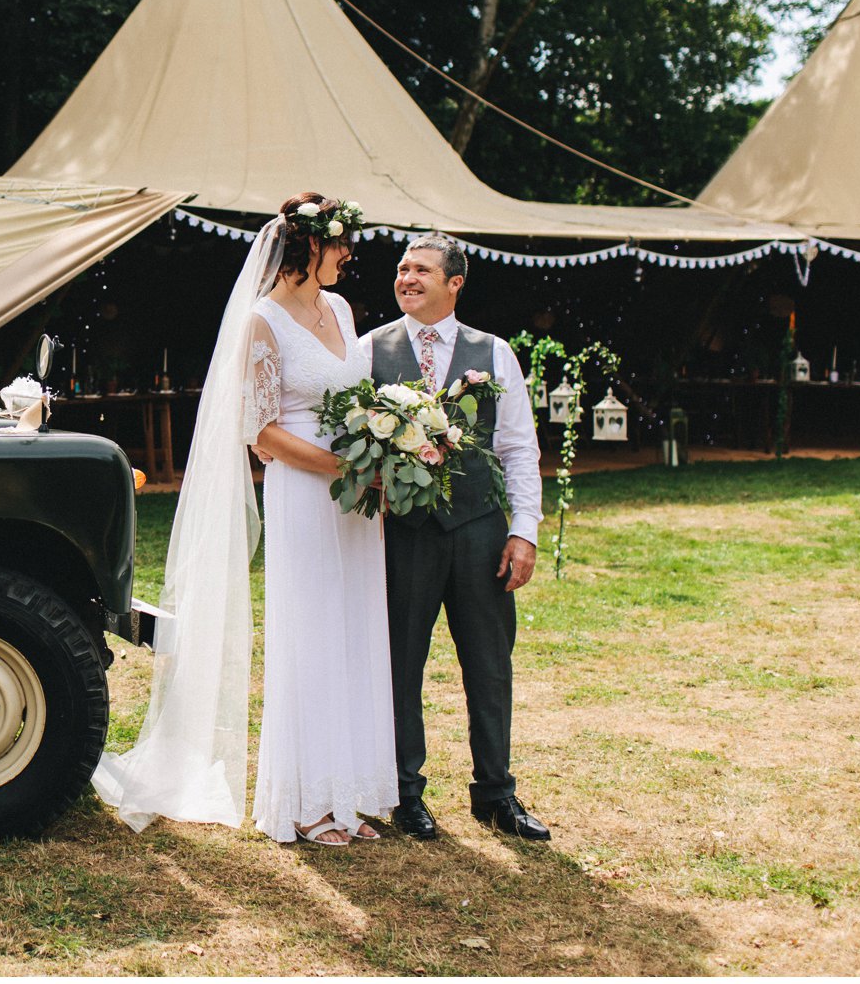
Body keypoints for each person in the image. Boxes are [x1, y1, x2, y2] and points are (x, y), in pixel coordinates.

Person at [93, 194, 396, 847]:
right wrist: (344, 469)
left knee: (354, 633)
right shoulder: (263, 321)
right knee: (311, 637)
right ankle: (304, 805)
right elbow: (260, 434)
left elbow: (360, 399)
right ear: (310, 247)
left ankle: (349, 798)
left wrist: (382, 448)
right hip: (307, 494)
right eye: (342, 244)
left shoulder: (340, 309)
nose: (350, 256)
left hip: (356, 502)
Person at [366, 233, 550, 842]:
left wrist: (523, 532)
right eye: (401, 268)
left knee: (490, 665)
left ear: (455, 283)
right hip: (404, 536)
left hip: (478, 530)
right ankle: (404, 793)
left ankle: (496, 795)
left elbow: (520, 447)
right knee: (399, 665)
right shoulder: (368, 351)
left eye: (421, 269)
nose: (407, 277)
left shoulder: (494, 353)